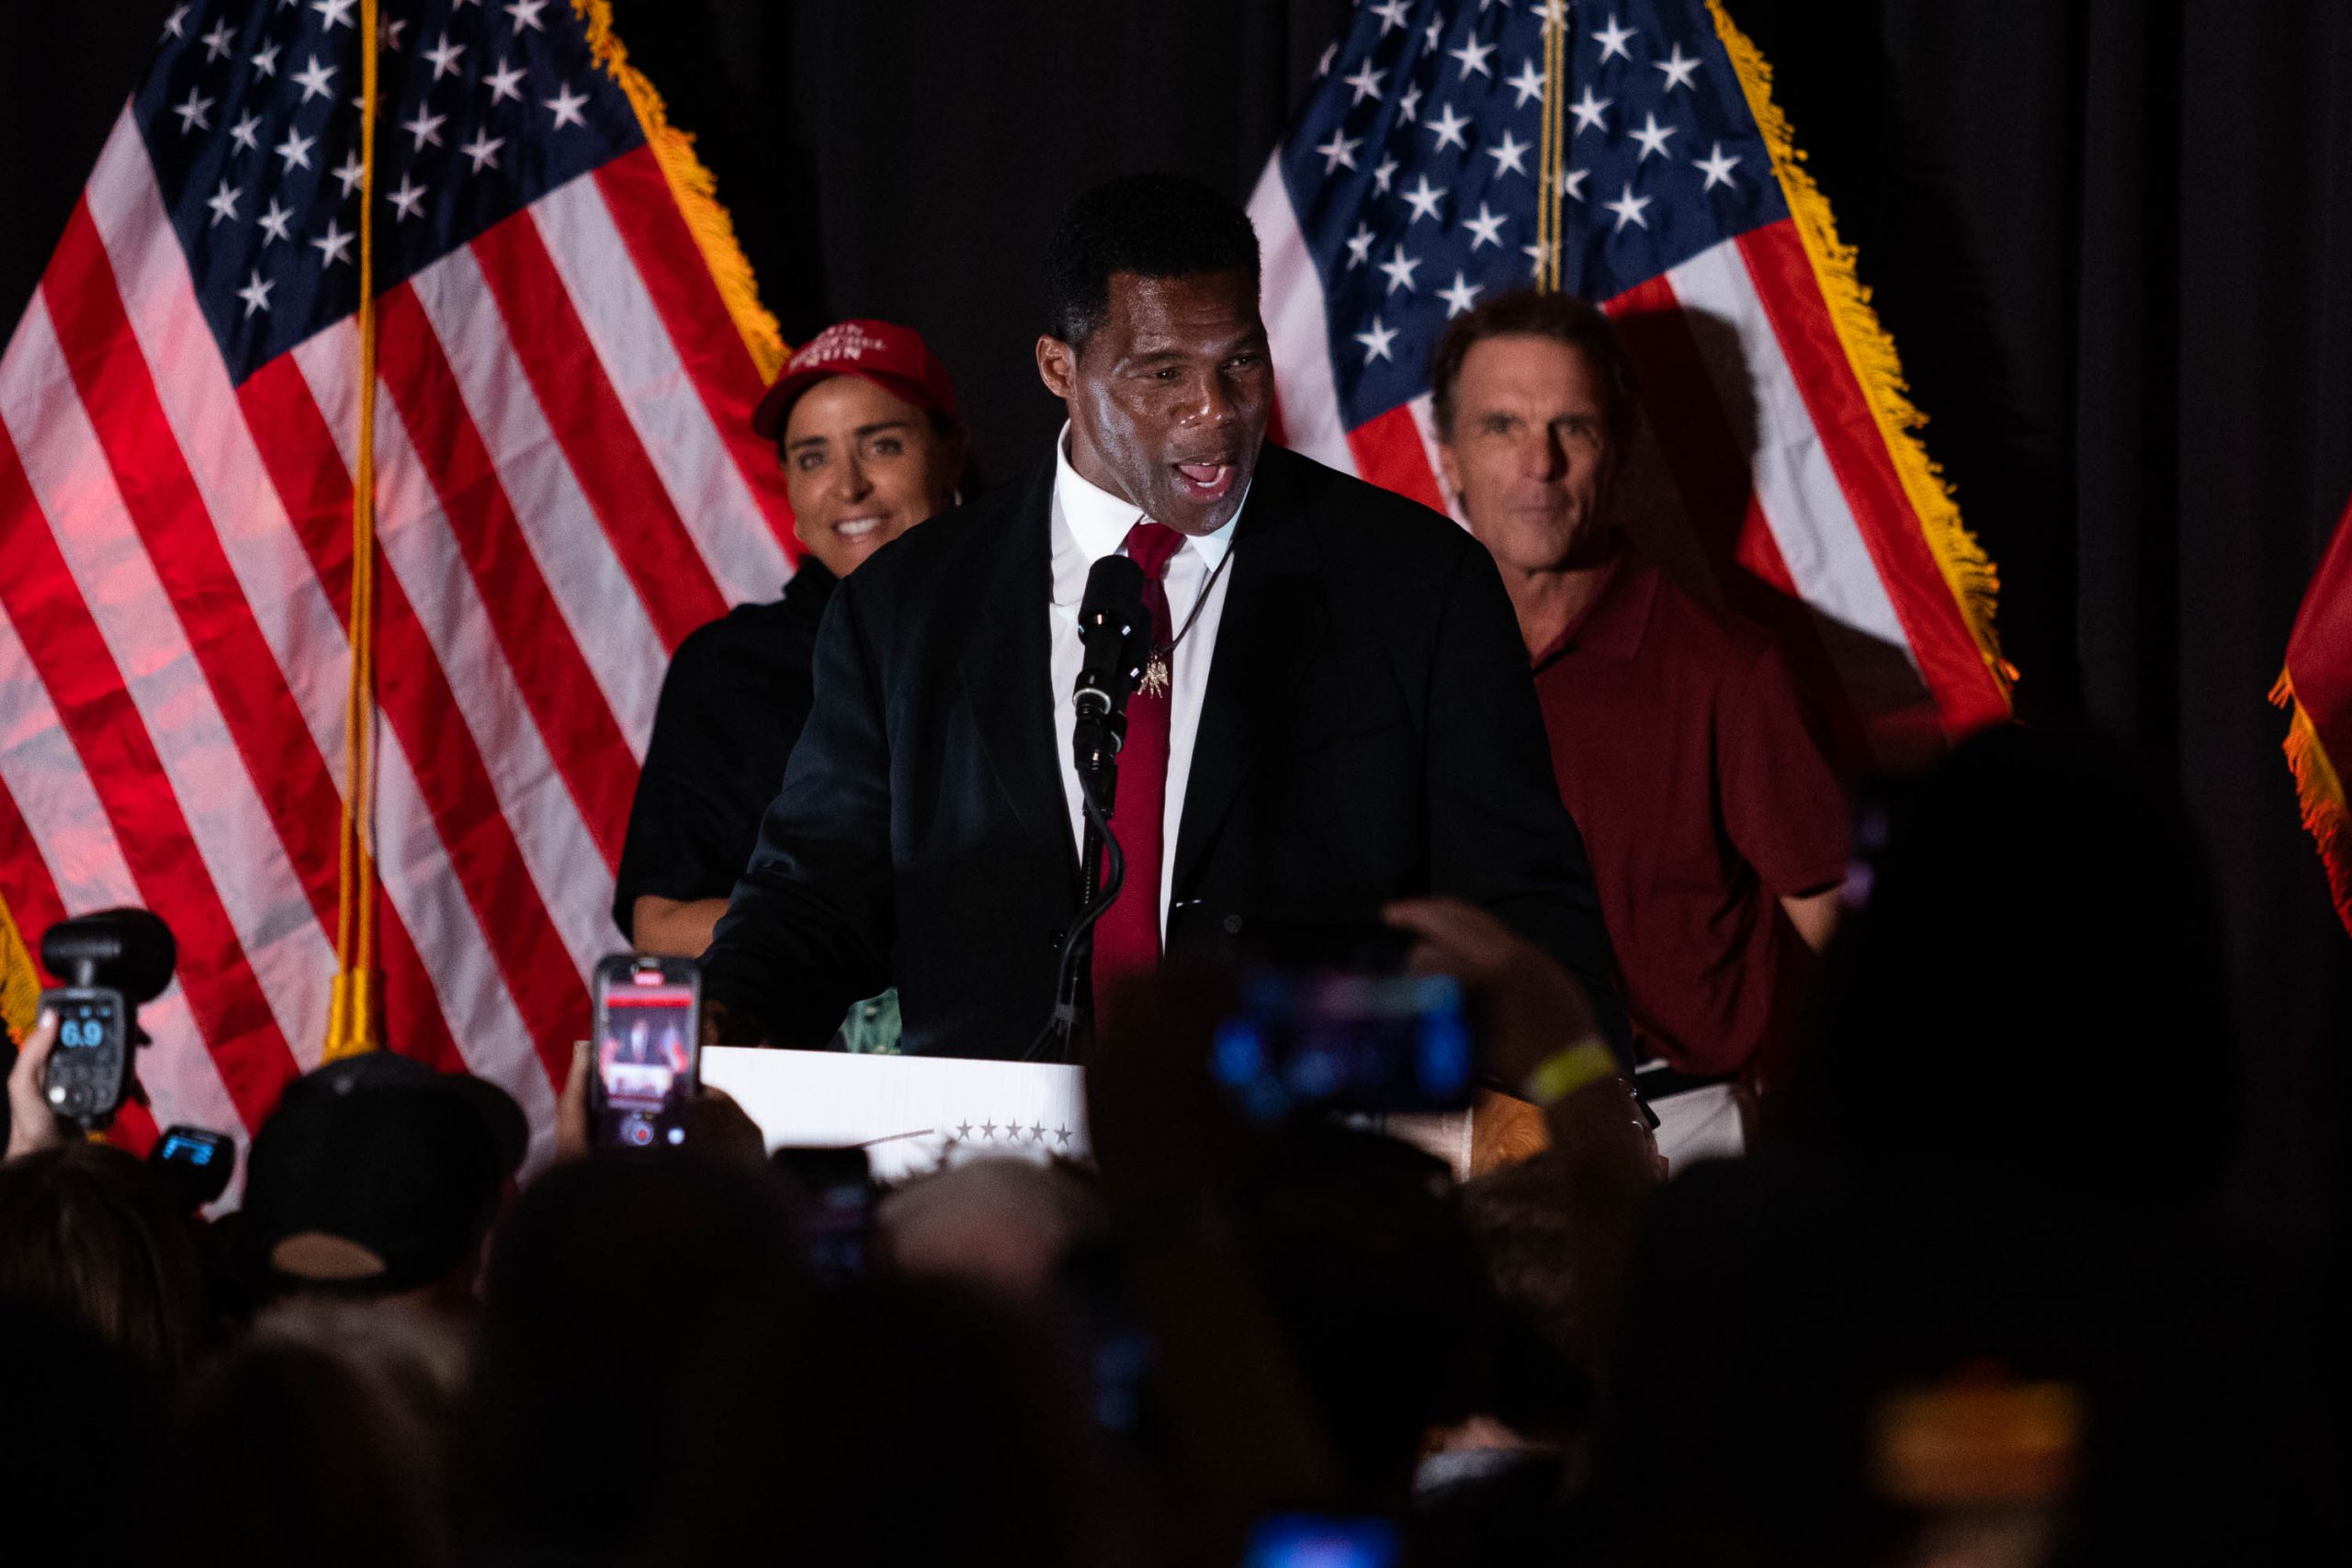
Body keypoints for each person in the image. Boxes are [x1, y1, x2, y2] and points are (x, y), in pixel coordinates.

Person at [702, 173, 1624, 1057]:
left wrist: (1579, 1107)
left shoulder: (1415, 583)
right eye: (1161, 374)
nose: (1213, 414)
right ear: (1059, 368)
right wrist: (717, 1022)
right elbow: (816, 899)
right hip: (1001, 1178)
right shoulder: (906, 606)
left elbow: (1522, 910)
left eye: (1240, 363)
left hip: (1308, 1170)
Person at [1429, 290, 1849, 1106]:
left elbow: (1857, 955)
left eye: (1572, 427)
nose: (1539, 463)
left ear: (1617, 451)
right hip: (1456, 1121)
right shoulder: (1401, 660)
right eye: (1501, 426)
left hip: (1667, 1118)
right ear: (1448, 456)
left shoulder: (1727, 673)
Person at [615, 319, 968, 965]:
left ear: (951, 452)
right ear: (790, 487)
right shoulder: (727, 668)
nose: (848, 486)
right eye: (813, 458)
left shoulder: (1043, 625)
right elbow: (660, 923)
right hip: (804, 1050)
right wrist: (881, 936)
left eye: (882, 445)